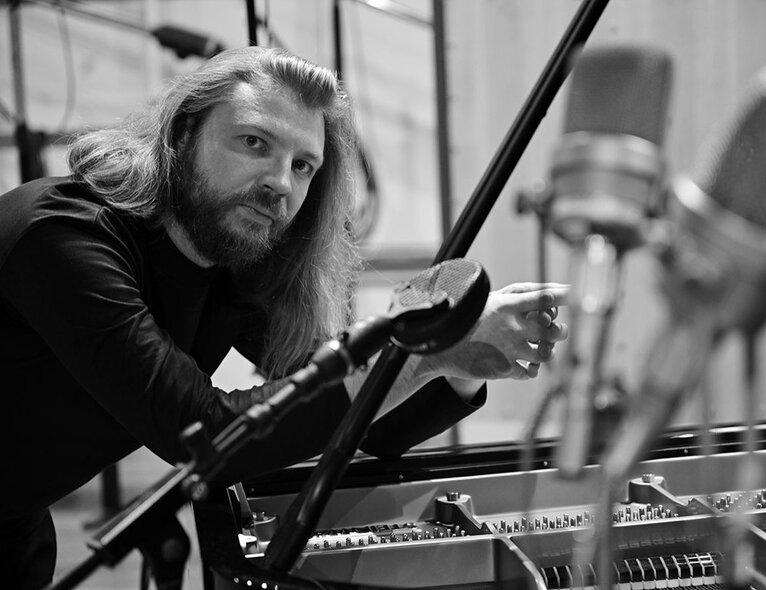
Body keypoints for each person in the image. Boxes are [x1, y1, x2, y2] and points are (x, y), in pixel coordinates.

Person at [0, 46, 567, 588]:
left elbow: (369, 419)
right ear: (182, 134)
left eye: (303, 166)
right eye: (253, 142)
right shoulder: (61, 237)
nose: (280, 183)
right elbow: (206, 433)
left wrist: (464, 356)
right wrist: (430, 357)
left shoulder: (229, 262)